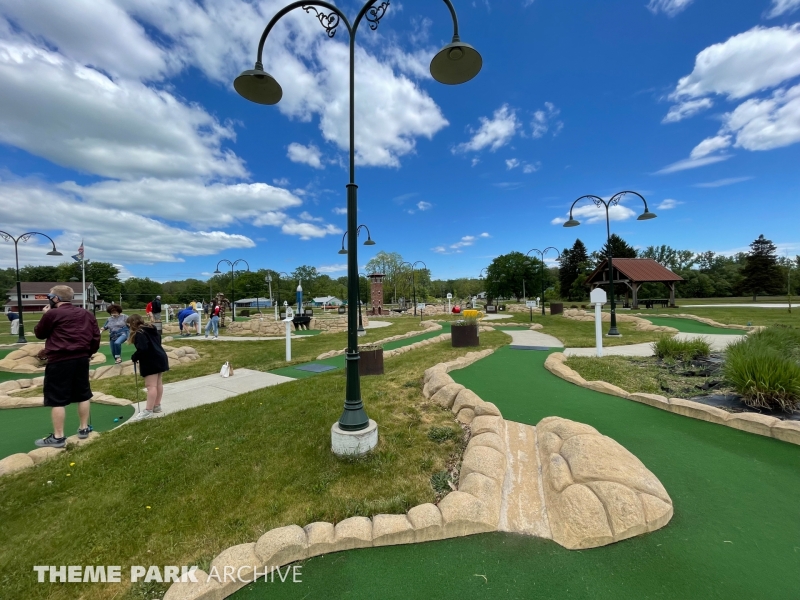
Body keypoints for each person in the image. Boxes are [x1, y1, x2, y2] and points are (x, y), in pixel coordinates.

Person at [33, 286, 100, 448]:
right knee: (83, 394)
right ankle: (84, 428)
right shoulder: (86, 313)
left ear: (56, 298)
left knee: (57, 398)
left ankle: (58, 437)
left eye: (50, 296)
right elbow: (95, 336)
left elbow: (40, 333)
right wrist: (88, 353)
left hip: (59, 360)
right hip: (81, 359)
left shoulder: (52, 314)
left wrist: (46, 315)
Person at [127, 314, 169, 419]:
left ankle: (148, 410)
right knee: (158, 383)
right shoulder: (151, 329)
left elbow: (143, 348)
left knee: (151, 386)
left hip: (151, 360)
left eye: (128, 325)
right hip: (160, 356)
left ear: (132, 324)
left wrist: (135, 356)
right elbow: (158, 341)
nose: (128, 327)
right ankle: (156, 406)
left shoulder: (139, 333)